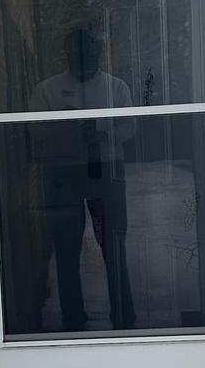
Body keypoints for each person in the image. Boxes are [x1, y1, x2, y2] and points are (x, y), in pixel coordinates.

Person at [28, 28, 136, 332]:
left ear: (98, 52)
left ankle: (125, 318)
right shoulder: (47, 90)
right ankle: (72, 319)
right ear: (67, 54)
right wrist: (64, 126)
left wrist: (102, 132)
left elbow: (131, 129)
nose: (83, 56)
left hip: (106, 170)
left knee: (114, 246)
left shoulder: (116, 88)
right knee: (66, 247)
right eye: (76, 51)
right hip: (64, 174)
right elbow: (33, 132)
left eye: (89, 50)